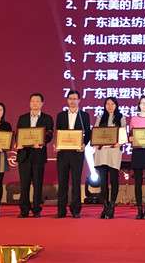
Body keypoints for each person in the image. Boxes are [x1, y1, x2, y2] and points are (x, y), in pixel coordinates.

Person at [16, 93, 54, 218]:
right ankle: (24, 210)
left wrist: (42, 142)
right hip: (24, 155)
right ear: (29, 103)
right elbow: (18, 134)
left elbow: (49, 134)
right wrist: (18, 143)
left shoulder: (47, 118)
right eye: (32, 101)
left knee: (38, 184)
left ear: (42, 103)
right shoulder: (22, 118)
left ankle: (37, 209)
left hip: (38, 154)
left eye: (37, 101)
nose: (35, 103)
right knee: (24, 184)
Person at [54, 89, 91, 218]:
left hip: (77, 153)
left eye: (75, 99)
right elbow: (58, 132)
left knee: (76, 182)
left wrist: (83, 144)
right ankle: (61, 210)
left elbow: (88, 133)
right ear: (67, 100)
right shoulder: (61, 115)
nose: (73, 101)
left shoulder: (84, 115)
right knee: (62, 181)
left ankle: (76, 210)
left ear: (79, 100)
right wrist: (57, 144)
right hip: (63, 153)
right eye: (70, 99)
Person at [92, 97, 125, 219]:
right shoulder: (100, 118)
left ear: (116, 105)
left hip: (114, 152)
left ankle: (112, 206)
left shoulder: (121, 118)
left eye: (112, 104)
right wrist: (96, 142)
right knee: (103, 181)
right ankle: (105, 206)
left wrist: (119, 143)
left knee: (114, 180)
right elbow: (95, 134)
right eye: (107, 104)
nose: (110, 106)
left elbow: (123, 135)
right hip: (101, 153)